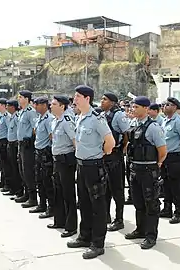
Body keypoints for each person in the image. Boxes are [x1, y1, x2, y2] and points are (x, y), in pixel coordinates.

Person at [66, 85, 115, 260]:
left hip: (94, 166)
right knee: (84, 203)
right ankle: (84, 237)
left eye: (78, 96)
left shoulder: (96, 118)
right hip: (81, 166)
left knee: (97, 207)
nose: (75, 99)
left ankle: (97, 243)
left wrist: (101, 153)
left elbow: (110, 141)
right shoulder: (80, 117)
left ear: (87, 98)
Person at [124, 96, 167, 249]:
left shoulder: (153, 127)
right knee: (138, 202)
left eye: (136, 107)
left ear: (146, 109)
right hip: (135, 169)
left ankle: (150, 235)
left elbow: (162, 151)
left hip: (148, 170)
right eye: (132, 107)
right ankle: (140, 229)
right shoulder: (134, 125)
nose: (132, 109)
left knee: (151, 204)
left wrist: (157, 165)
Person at [100, 92, 130, 231]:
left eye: (105, 100)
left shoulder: (118, 115)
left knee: (117, 189)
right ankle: (105, 215)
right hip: (104, 155)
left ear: (112, 102)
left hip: (115, 156)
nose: (102, 101)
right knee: (105, 189)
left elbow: (126, 135)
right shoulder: (102, 115)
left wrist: (121, 150)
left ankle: (119, 219)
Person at [50, 95, 78, 237]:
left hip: (66, 161)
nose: (51, 106)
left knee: (68, 193)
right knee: (58, 191)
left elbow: (75, 141)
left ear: (62, 106)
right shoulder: (55, 120)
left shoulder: (67, 121)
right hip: (57, 159)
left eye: (54, 104)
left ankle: (71, 225)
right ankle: (59, 220)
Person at [159, 97, 180, 224]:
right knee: (165, 183)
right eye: (165, 104)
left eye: (169, 105)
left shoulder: (179, 121)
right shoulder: (164, 120)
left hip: (175, 156)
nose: (165, 106)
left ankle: (178, 211)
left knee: (175, 184)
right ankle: (167, 208)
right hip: (165, 156)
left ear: (175, 107)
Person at [32, 97, 55, 216]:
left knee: (47, 181)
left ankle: (51, 207)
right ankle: (42, 204)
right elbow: (35, 132)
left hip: (46, 153)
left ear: (44, 105)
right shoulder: (39, 118)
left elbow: (52, 136)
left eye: (37, 104)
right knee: (39, 180)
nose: (35, 106)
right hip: (38, 152)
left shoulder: (49, 119)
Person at [16, 90, 38, 207]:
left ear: (26, 99)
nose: (19, 99)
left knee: (28, 171)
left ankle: (33, 197)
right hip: (21, 144)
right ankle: (26, 193)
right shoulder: (22, 112)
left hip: (28, 146)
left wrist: (31, 142)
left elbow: (35, 129)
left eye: (20, 97)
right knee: (22, 170)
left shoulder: (31, 112)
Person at [6, 100, 24, 198]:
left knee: (16, 169)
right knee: (11, 167)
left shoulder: (17, 117)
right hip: (10, 144)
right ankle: (13, 188)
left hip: (15, 145)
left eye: (8, 106)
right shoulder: (12, 117)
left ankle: (18, 190)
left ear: (13, 107)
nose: (7, 107)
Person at [0, 98, 11, 191]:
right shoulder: (1, 116)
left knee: (6, 164)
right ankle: (2, 182)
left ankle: (7, 184)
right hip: (0, 142)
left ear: (3, 106)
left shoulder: (7, 116)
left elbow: (10, 129)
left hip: (4, 142)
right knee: (2, 164)